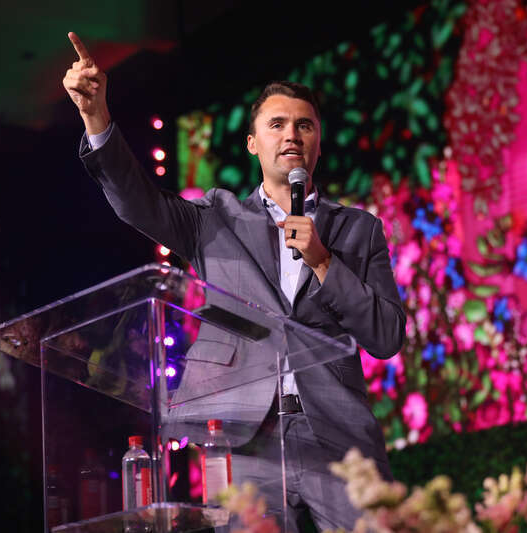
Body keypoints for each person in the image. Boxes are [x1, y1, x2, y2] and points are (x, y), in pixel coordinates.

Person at [63, 32, 405, 531]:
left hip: (337, 436)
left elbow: (387, 335)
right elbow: (137, 203)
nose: (292, 135)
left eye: (304, 125)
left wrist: (323, 261)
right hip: (245, 437)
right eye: (277, 124)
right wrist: (96, 118)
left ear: (317, 141)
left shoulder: (358, 230)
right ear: (253, 143)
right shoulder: (214, 218)